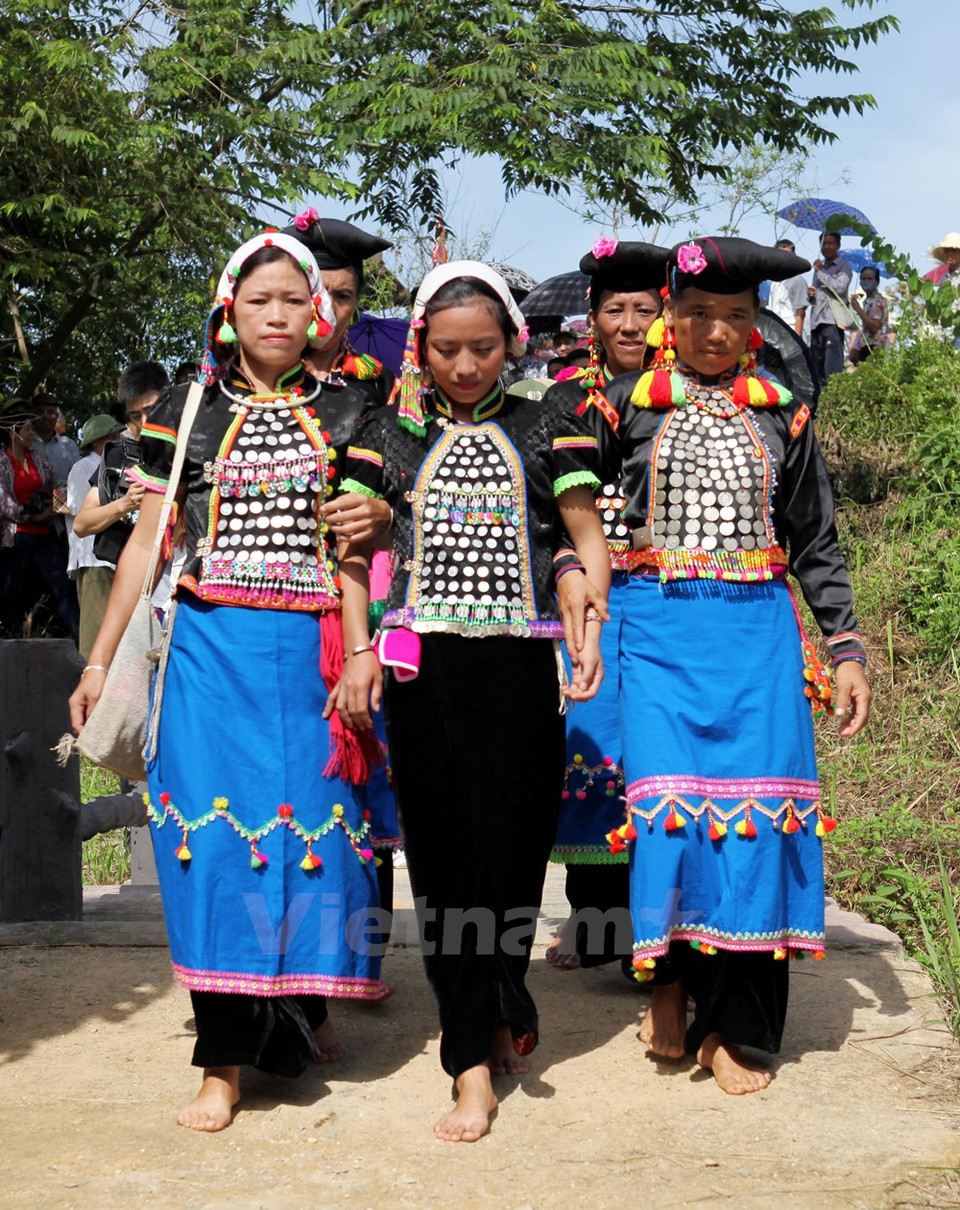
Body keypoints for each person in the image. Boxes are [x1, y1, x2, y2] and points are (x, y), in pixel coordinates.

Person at [68, 231, 391, 1133]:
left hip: (312, 661)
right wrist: (98, 660)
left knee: (316, 842)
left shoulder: (351, 411)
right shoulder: (187, 407)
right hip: (211, 657)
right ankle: (223, 1061)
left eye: (294, 300)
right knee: (211, 848)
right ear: (228, 311)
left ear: (317, 310)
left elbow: (356, 552)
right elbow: (144, 543)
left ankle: (306, 1009)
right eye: (260, 301)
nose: (279, 314)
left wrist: (362, 653)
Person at [332, 260, 610, 1142]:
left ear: (510, 346)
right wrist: (363, 647)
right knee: (447, 858)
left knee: (514, 851)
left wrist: (587, 622)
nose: (464, 365)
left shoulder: (548, 425)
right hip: (426, 675)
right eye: (446, 349)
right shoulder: (385, 433)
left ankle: (501, 999)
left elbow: (581, 535)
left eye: (482, 348)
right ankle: (470, 1062)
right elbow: (350, 557)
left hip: (522, 669)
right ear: (421, 347)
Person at [602, 236, 871, 1094]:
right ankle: (673, 987)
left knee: (754, 820)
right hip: (656, 638)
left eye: (737, 317)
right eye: (699, 315)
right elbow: (575, 519)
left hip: (756, 638)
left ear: (757, 325)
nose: (717, 332)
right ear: (668, 320)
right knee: (671, 816)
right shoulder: (620, 409)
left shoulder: (781, 411)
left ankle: (738, 1026)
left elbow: (815, 541)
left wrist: (847, 646)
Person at [543, 239, 670, 972]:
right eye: (614, 309)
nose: (628, 323)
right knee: (587, 749)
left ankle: (654, 928)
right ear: (591, 318)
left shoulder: (681, 396)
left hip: (662, 595)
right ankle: (593, 922)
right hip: (583, 596)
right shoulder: (565, 400)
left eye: (643, 310)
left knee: (651, 757)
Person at [74, 361, 168, 568]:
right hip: (135, 579)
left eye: (152, 410)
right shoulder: (120, 456)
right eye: (136, 415)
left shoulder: (195, 450)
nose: (145, 422)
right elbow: (81, 524)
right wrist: (125, 504)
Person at [0, 411, 80, 641]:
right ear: (13, 433)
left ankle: (79, 640)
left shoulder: (38, 458)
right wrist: (31, 517)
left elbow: (59, 483)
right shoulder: (3, 461)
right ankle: (12, 641)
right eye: (27, 429)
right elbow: (3, 500)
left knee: (62, 588)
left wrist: (55, 510)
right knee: (13, 591)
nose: (32, 433)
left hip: (45, 532)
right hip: (17, 535)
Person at [65, 414, 123, 657]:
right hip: (92, 560)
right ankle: (88, 689)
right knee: (94, 635)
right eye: (113, 436)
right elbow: (82, 514)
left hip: (115, 558)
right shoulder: (82, 468)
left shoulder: (116, 466)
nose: (118, 439)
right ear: (99, 441)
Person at [807, 232, 852, 383]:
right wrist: (811, 295)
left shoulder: (844, 267)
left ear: (838, 246)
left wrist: (821, 272)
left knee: (832, 369)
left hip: (833, 321)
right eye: (824, 244)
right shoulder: (818, 267)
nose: (827, 247)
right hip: (816, 322)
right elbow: (816, 297)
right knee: (816, 368)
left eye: (830, 243)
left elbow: (839, 288)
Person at [30, 394, 80, 489]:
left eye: (50, 412)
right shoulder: (24, 444)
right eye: (40, 412)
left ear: (57, 416)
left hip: (63, 501)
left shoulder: (68, 445)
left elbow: (77, 479)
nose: (45, 416)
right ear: (32, 415)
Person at [766, 239, 809, 337]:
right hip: (773, 332)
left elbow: (800, 312)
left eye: (788, 255)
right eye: (781, 254)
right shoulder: (775, 283)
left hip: (790, 331)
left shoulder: (798, 280)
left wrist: (797, 338)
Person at [849, 266, 890, 365]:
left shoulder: (877, 301)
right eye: (863, 279)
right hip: (866, 346)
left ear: (877, 281)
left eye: (869, 279)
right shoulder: (868, 301)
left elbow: (874, 327)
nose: (866, 282)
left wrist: (858, 309)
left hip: (874, 347)